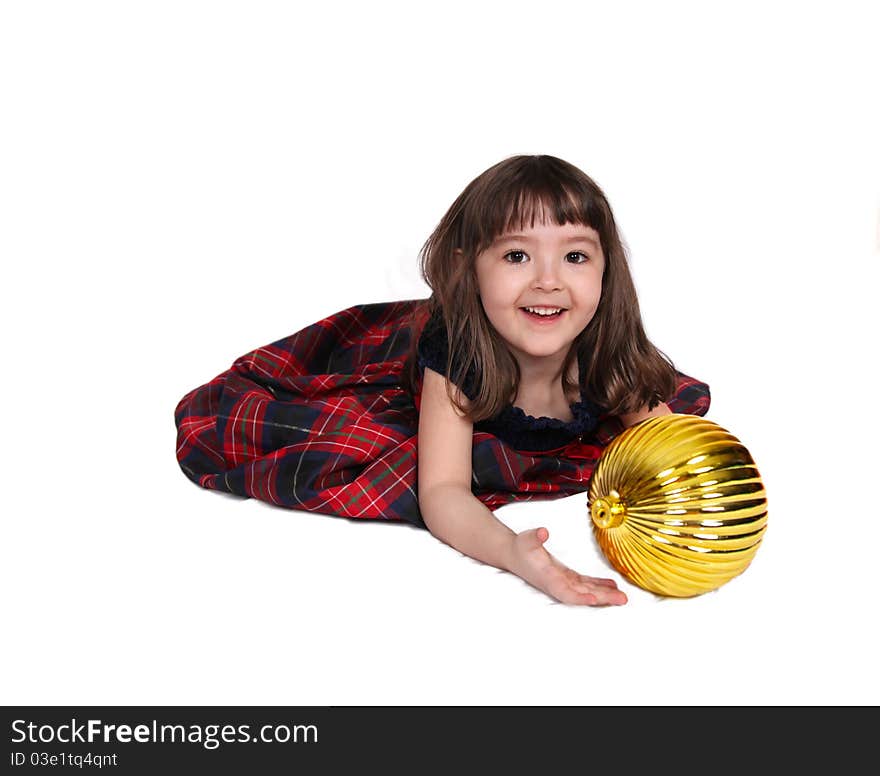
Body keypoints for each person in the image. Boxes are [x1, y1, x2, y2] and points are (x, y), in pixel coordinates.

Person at [174, 154, 710, 606]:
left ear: (605, 271)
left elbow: (676, 454)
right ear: (469, 267)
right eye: (516, 255)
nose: (549, 281)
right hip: (432, 345)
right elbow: (443, 490)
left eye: (574, 256)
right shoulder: (458, 357)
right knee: (341, 436)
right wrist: (513, 554)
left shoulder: (607, 353)